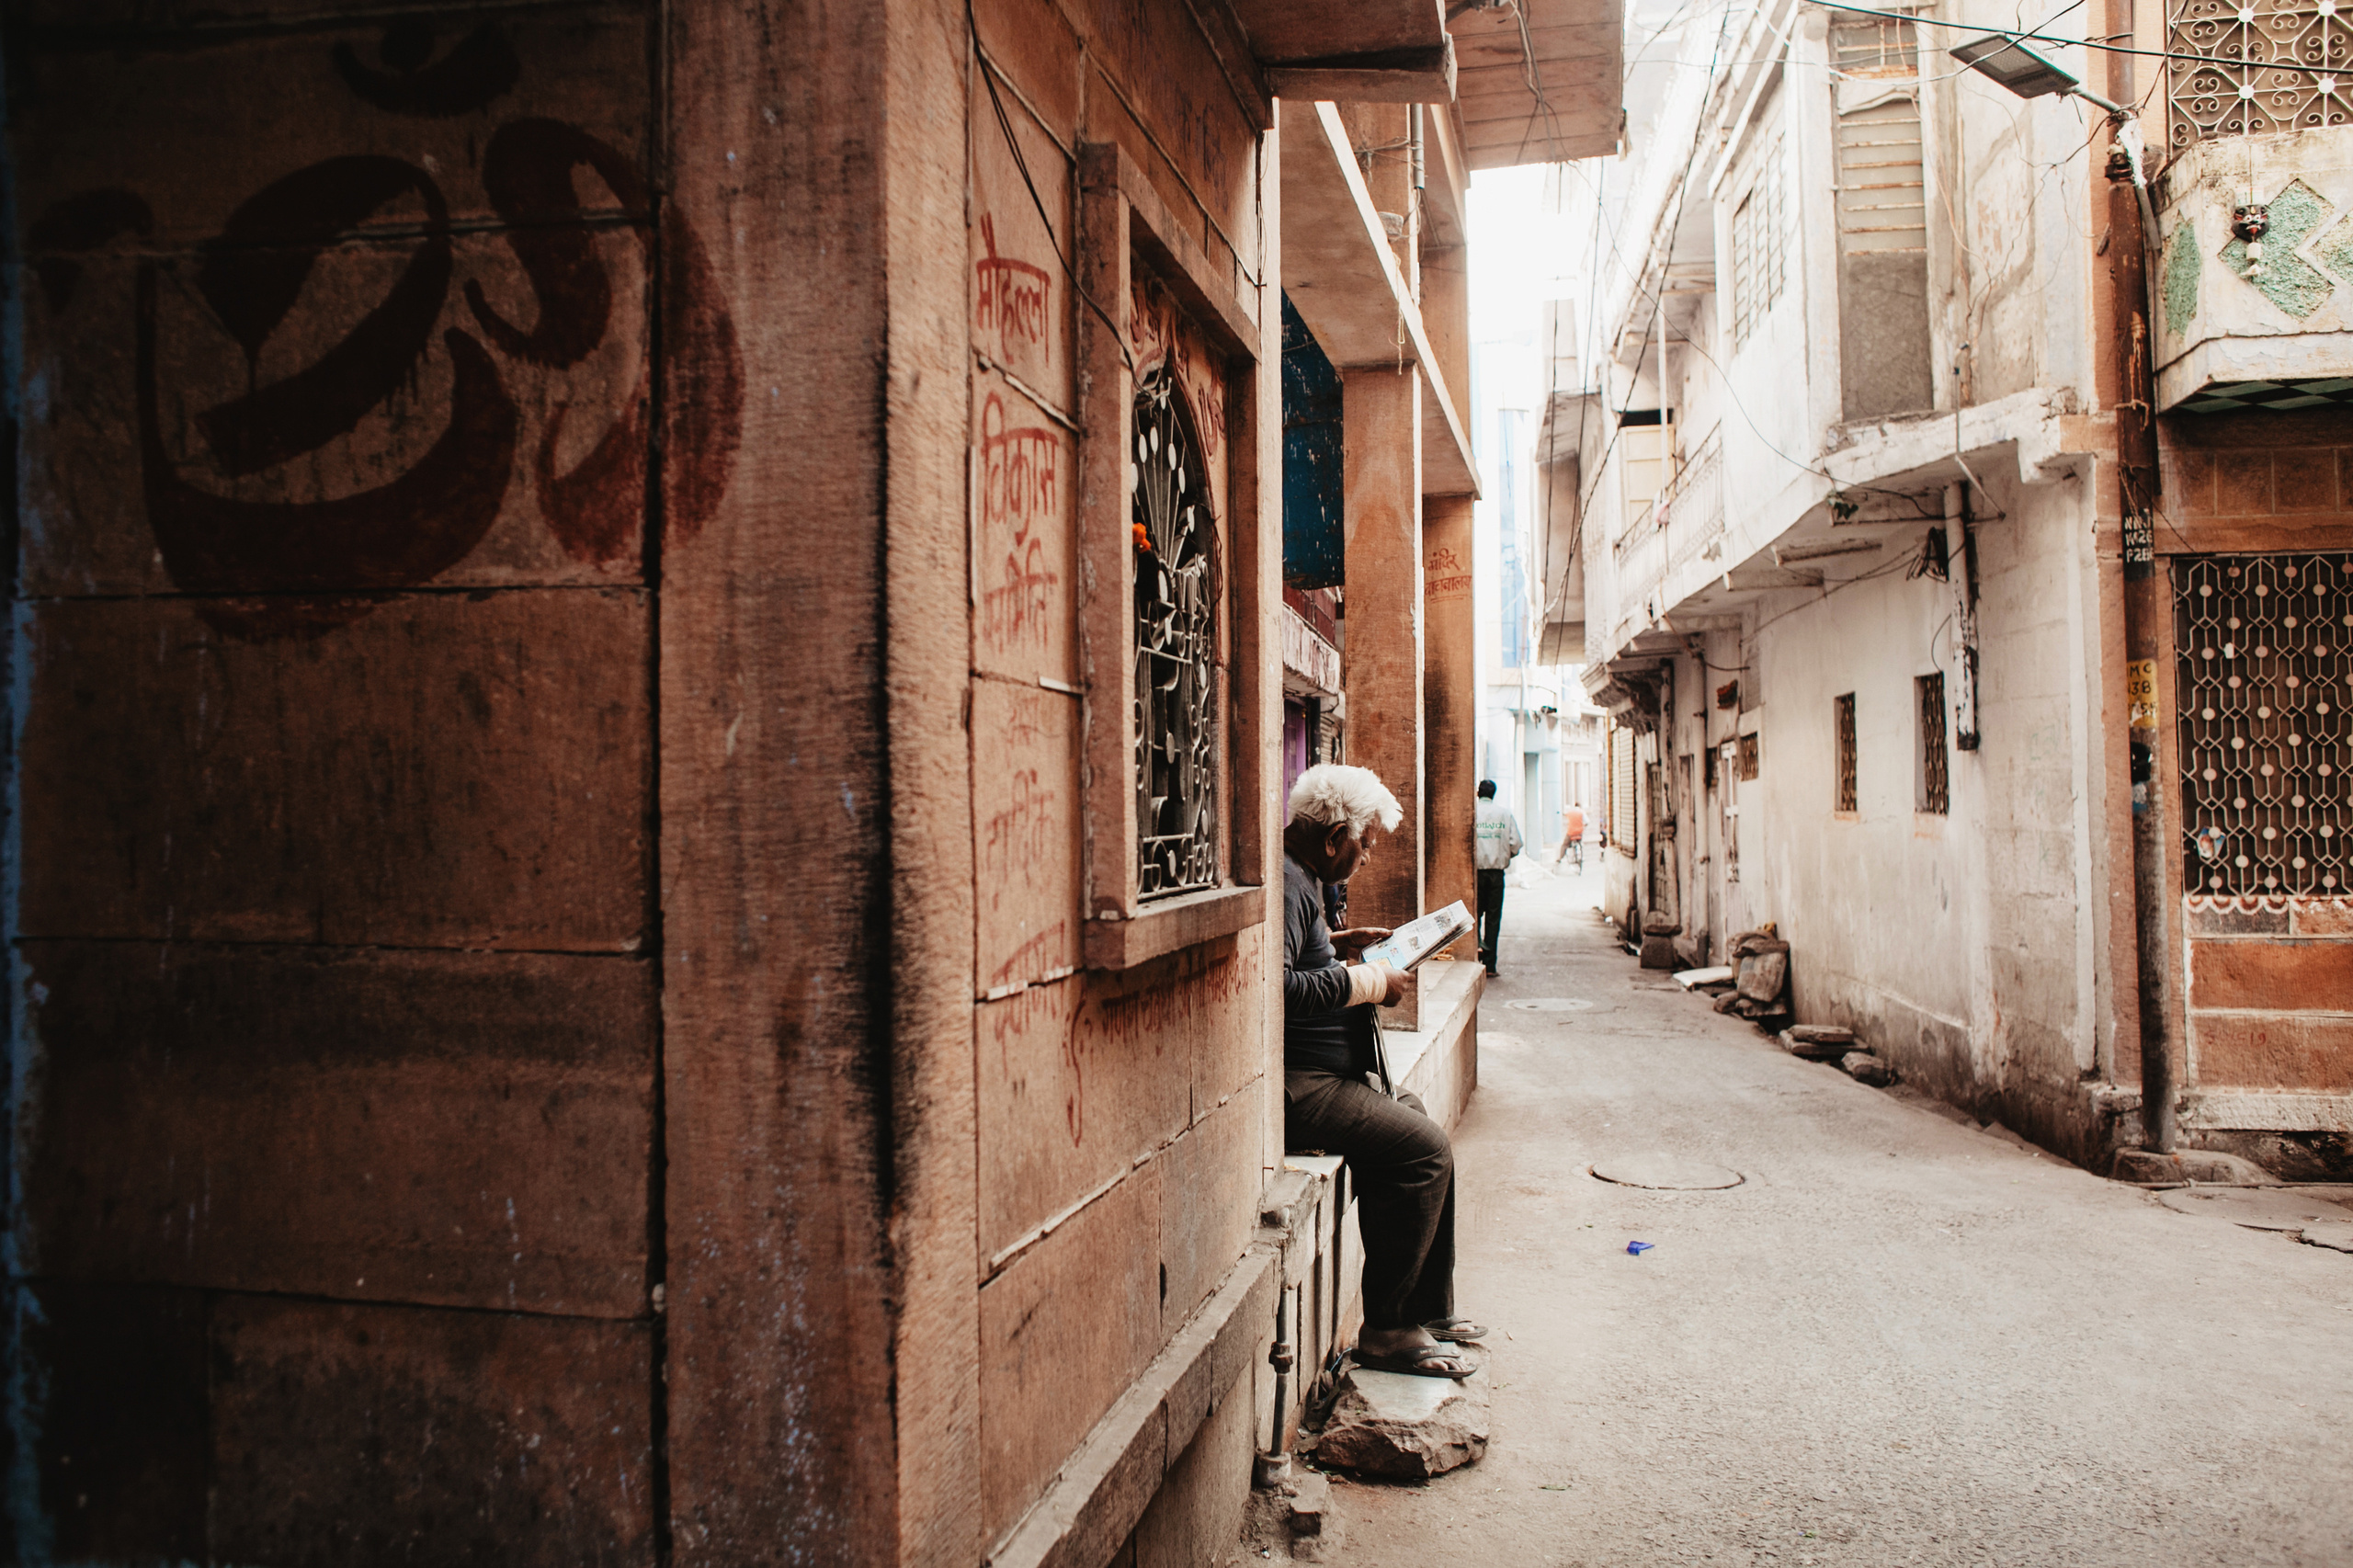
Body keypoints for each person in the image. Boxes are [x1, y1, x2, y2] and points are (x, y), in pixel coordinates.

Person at [1282, 764, 1483, 1379]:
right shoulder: (1290, 884)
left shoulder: (1304, 879)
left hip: (1325, 1075)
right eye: (1364, 844)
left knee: (1417, 1121)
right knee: (1422, 1150)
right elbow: (1279, 987)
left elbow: (1305, 960)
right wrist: (1369, 979)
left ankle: (1427, 1310)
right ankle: (1389, 1329)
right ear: (1333, 836)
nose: (1367, 858)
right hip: (1301, 1086)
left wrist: (1343, 945)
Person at [1472, 779, 1523, 977]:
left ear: (1478, 793)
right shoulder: (1504, 813)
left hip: (1475, 873)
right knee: (1493, 918)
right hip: (1496, 873)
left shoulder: (1473, 812)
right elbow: (1516, 843)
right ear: (1493, 794)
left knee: (1475, 917)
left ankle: (1475, 955)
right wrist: (1504, 854)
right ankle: (1490, 964)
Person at [1557, 800, 1587, 870]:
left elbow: (1565, 818)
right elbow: (1587, 821)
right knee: (1581, 843)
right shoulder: (1582, 812)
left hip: (1571, 833)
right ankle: (1581, 855)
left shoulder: (1570, 812)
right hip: (1579, 833)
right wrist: (1584, 826)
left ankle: (1560, 858)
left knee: (1564, 845)